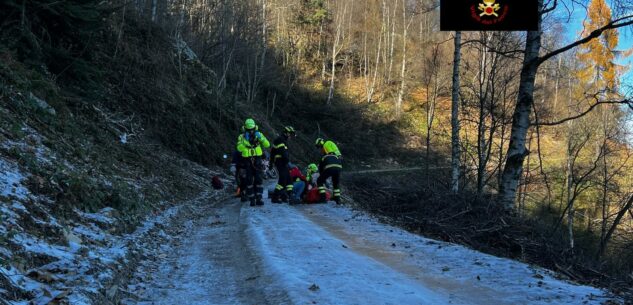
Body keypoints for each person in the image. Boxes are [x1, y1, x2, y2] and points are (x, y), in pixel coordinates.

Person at [236, 118, 270, 206]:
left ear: (255, 128)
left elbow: (267, 144)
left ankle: (259, 198)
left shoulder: (259, 134)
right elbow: (239, 148)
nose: (251, 131)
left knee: (259, 179)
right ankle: (252, 199)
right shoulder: (241, 136)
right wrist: (245, 141)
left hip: (257, 159)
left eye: (252, 129)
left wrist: (261, 138)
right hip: (247, 160)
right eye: (249, 130)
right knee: (249, 180)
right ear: (245, 129)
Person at [270, 126, 296, 203]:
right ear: (287, 133)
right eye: (290, 134)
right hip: (280, 162)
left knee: (289, 180)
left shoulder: (281, 140)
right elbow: (283, 153)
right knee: (283, 179)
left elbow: (272, 152)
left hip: (281, 161)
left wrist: (271, 163)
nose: (291, 136)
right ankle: (275, 197)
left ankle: (288, 196)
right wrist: (288, 162)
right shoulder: (280, 140)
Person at [315, 138, 342, 204]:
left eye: (319, 147)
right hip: (339, 166)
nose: (320, 149)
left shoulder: (325, 153)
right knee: (335, 182)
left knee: (319, 180)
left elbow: (321, 169)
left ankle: (323, 198)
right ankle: (337, 199)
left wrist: (323, 178)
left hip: (331, 167)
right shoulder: (335, 156)